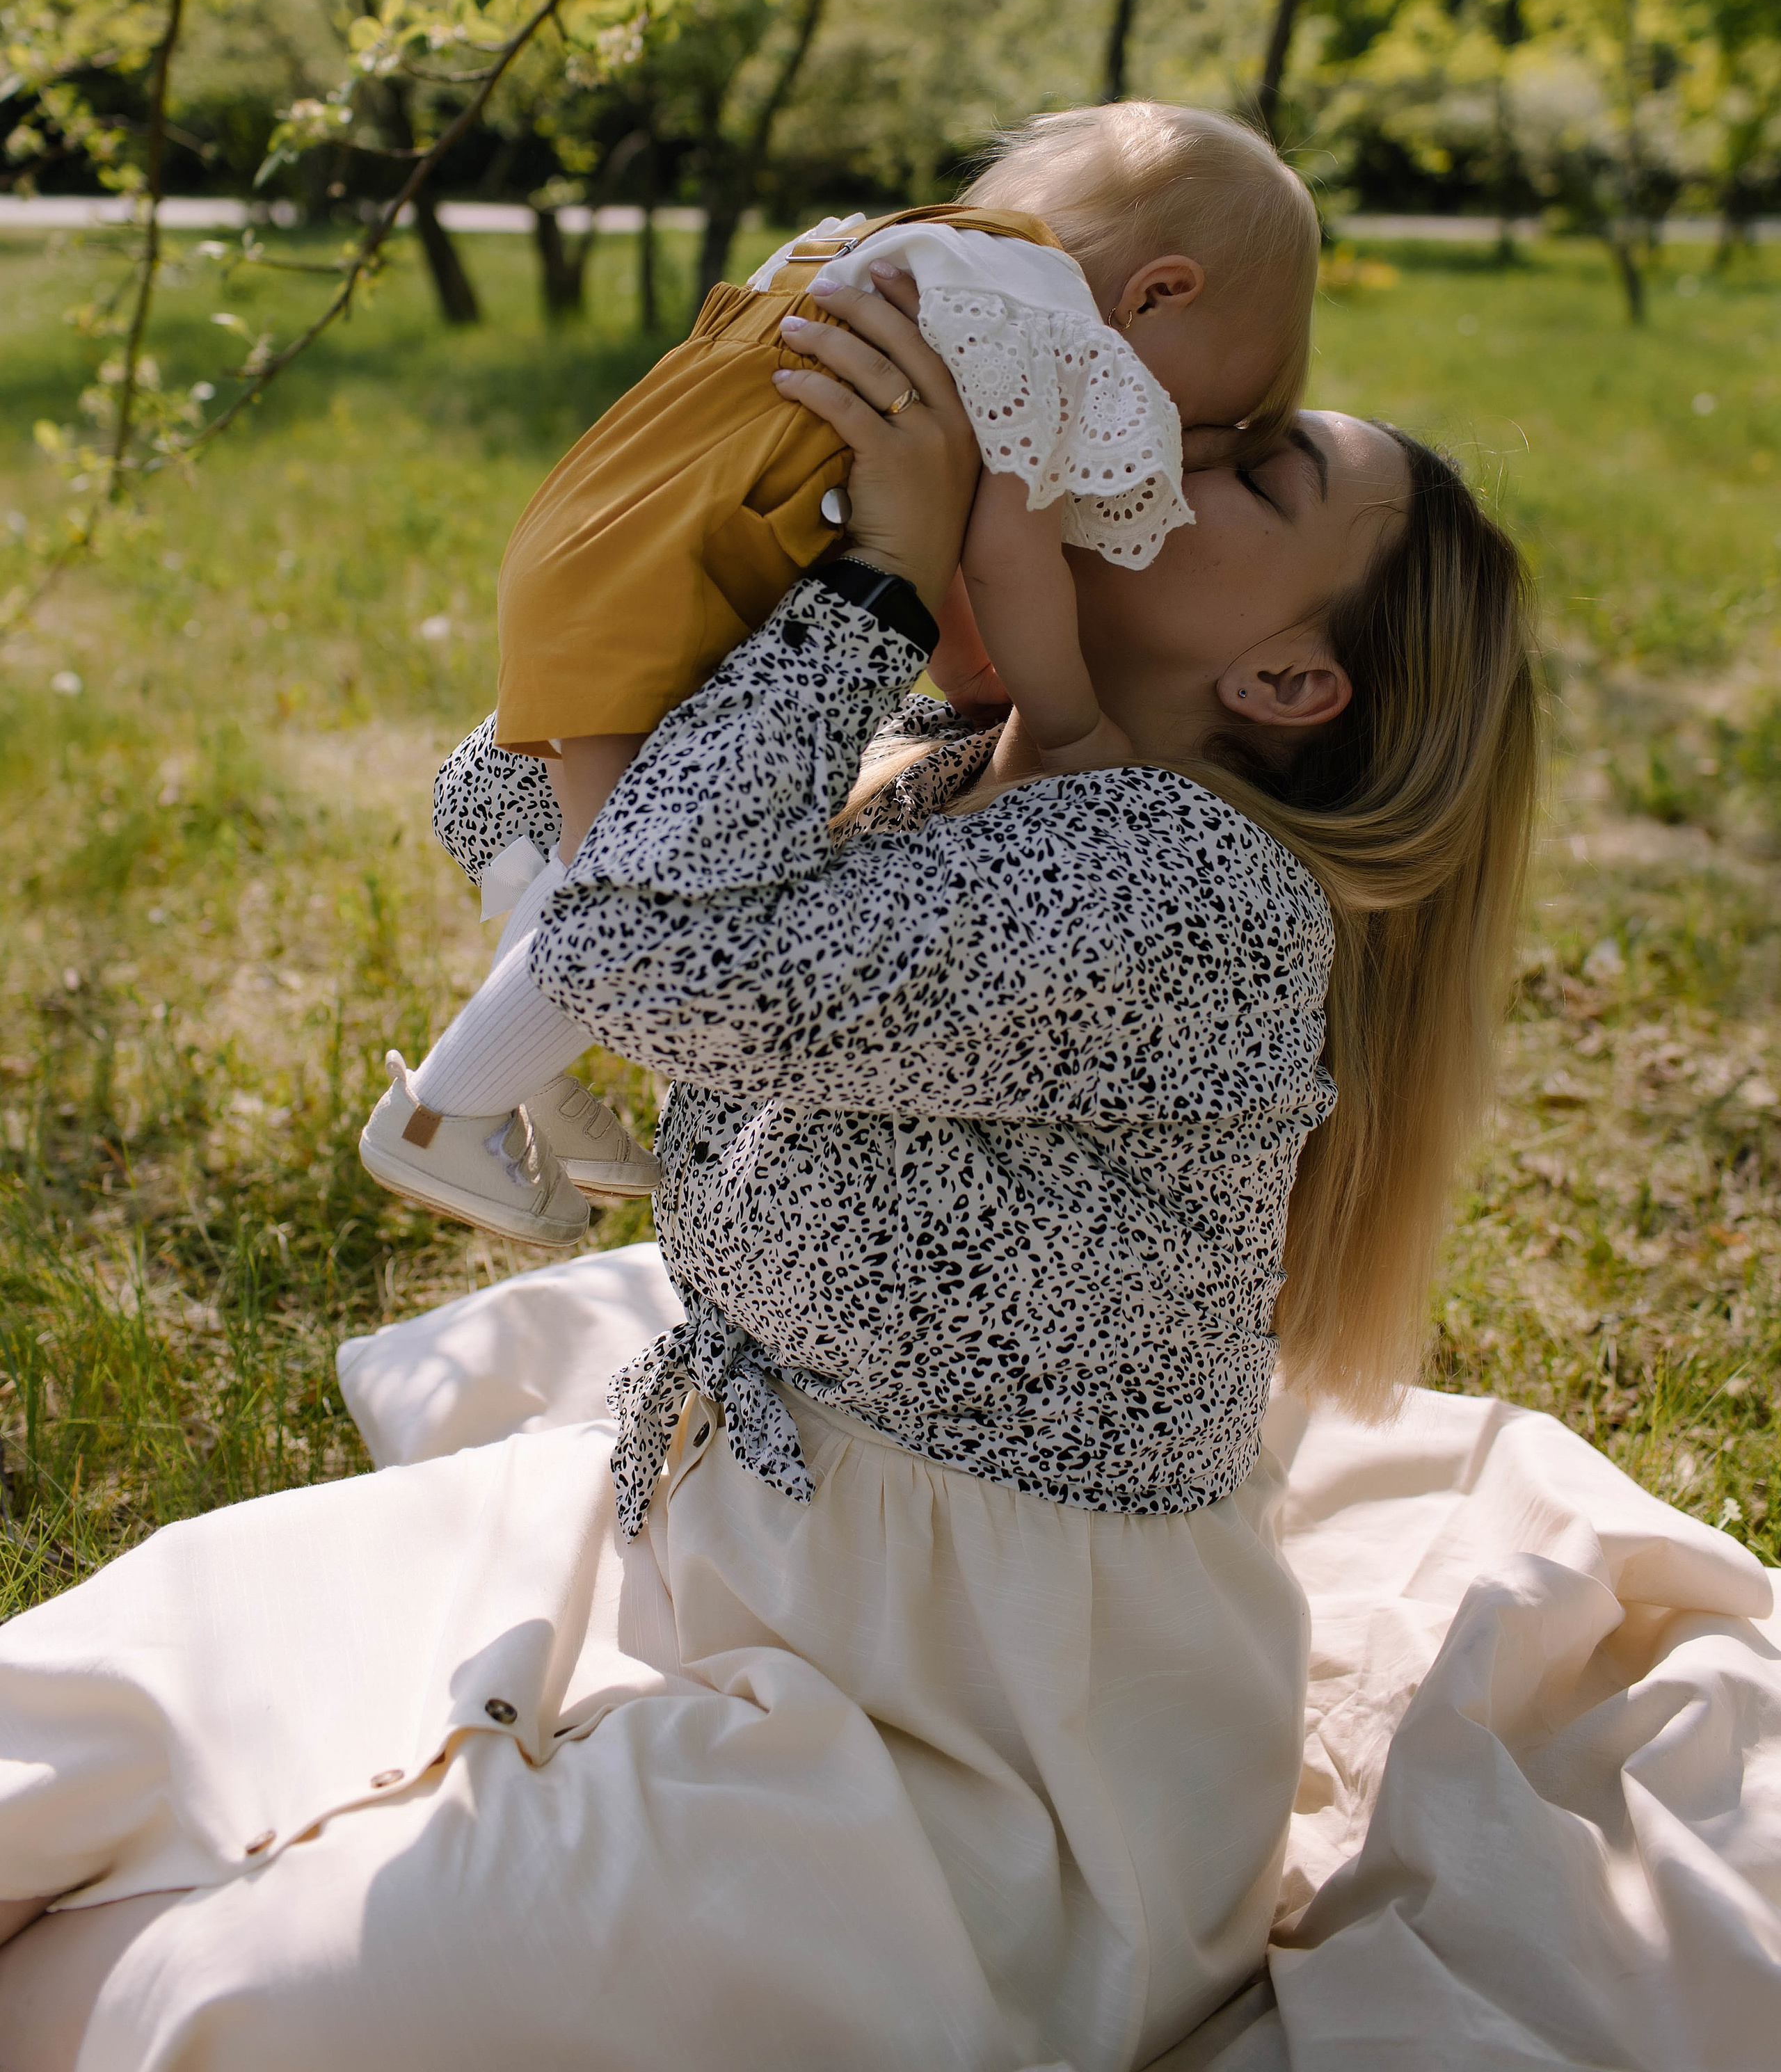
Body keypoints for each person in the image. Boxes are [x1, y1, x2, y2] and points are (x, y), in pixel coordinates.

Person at [0, 278, 1539, 2072]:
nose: (1160, 440)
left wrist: (872, 589)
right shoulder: (944, 765)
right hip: (721, 1535)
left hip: (973, 1745)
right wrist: (738, 479)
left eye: (1248, 473)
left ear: (1282, 679)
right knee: (82, 1730)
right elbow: (506, 787)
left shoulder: (1191, 896)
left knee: (231, 2002)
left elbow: (635, 952)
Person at [356, 104, 1320, 1247]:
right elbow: (1003, 555)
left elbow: (943, 556)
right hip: (673, 570)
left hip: (605, 530)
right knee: (616, 883)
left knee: (599, 859)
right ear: (1157, 296)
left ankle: (530, 1072)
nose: (1156, 457)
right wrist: (1067, 724)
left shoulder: (903, 257)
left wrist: (969, 668)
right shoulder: (1043, 329)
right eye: (1188, 424)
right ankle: (442, 1114)